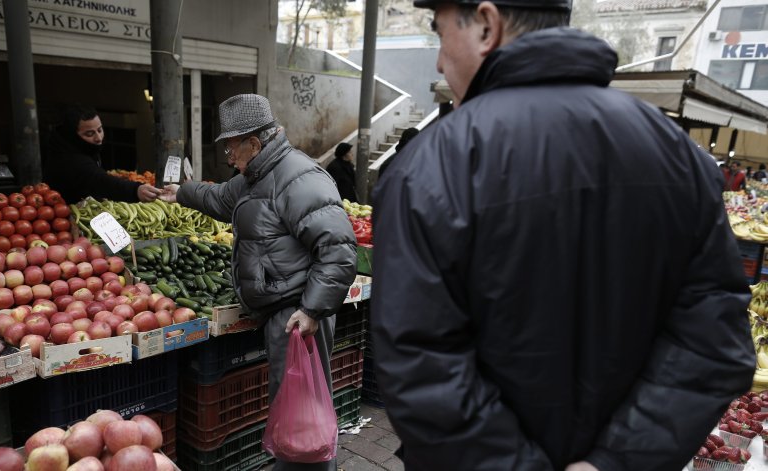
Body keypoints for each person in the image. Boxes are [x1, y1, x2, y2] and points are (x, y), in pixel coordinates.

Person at [370, 1, 755, 470]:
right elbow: (713, 343)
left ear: (487, 24)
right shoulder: (676, 152)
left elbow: (420, 365)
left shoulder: (430, 167)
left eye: (440, 31)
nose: (438, 59)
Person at [160, 94, 356, 470]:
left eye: (232, 147)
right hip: (280, 310)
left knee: (302, 409)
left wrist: (312, 310)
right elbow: (218, 198)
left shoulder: (298, 177)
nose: (228, 156)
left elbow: (339, 251)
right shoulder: (253, 178)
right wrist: (182, 193)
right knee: (293, 404)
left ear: (255, 142)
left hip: (297, 313)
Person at [43, 105, 161, 204]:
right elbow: (99, 180)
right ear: (72, 136)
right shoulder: (68, 159)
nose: (98, 138)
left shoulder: (85, 148)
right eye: (89, 134)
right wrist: (136, 190)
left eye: (100, 130)